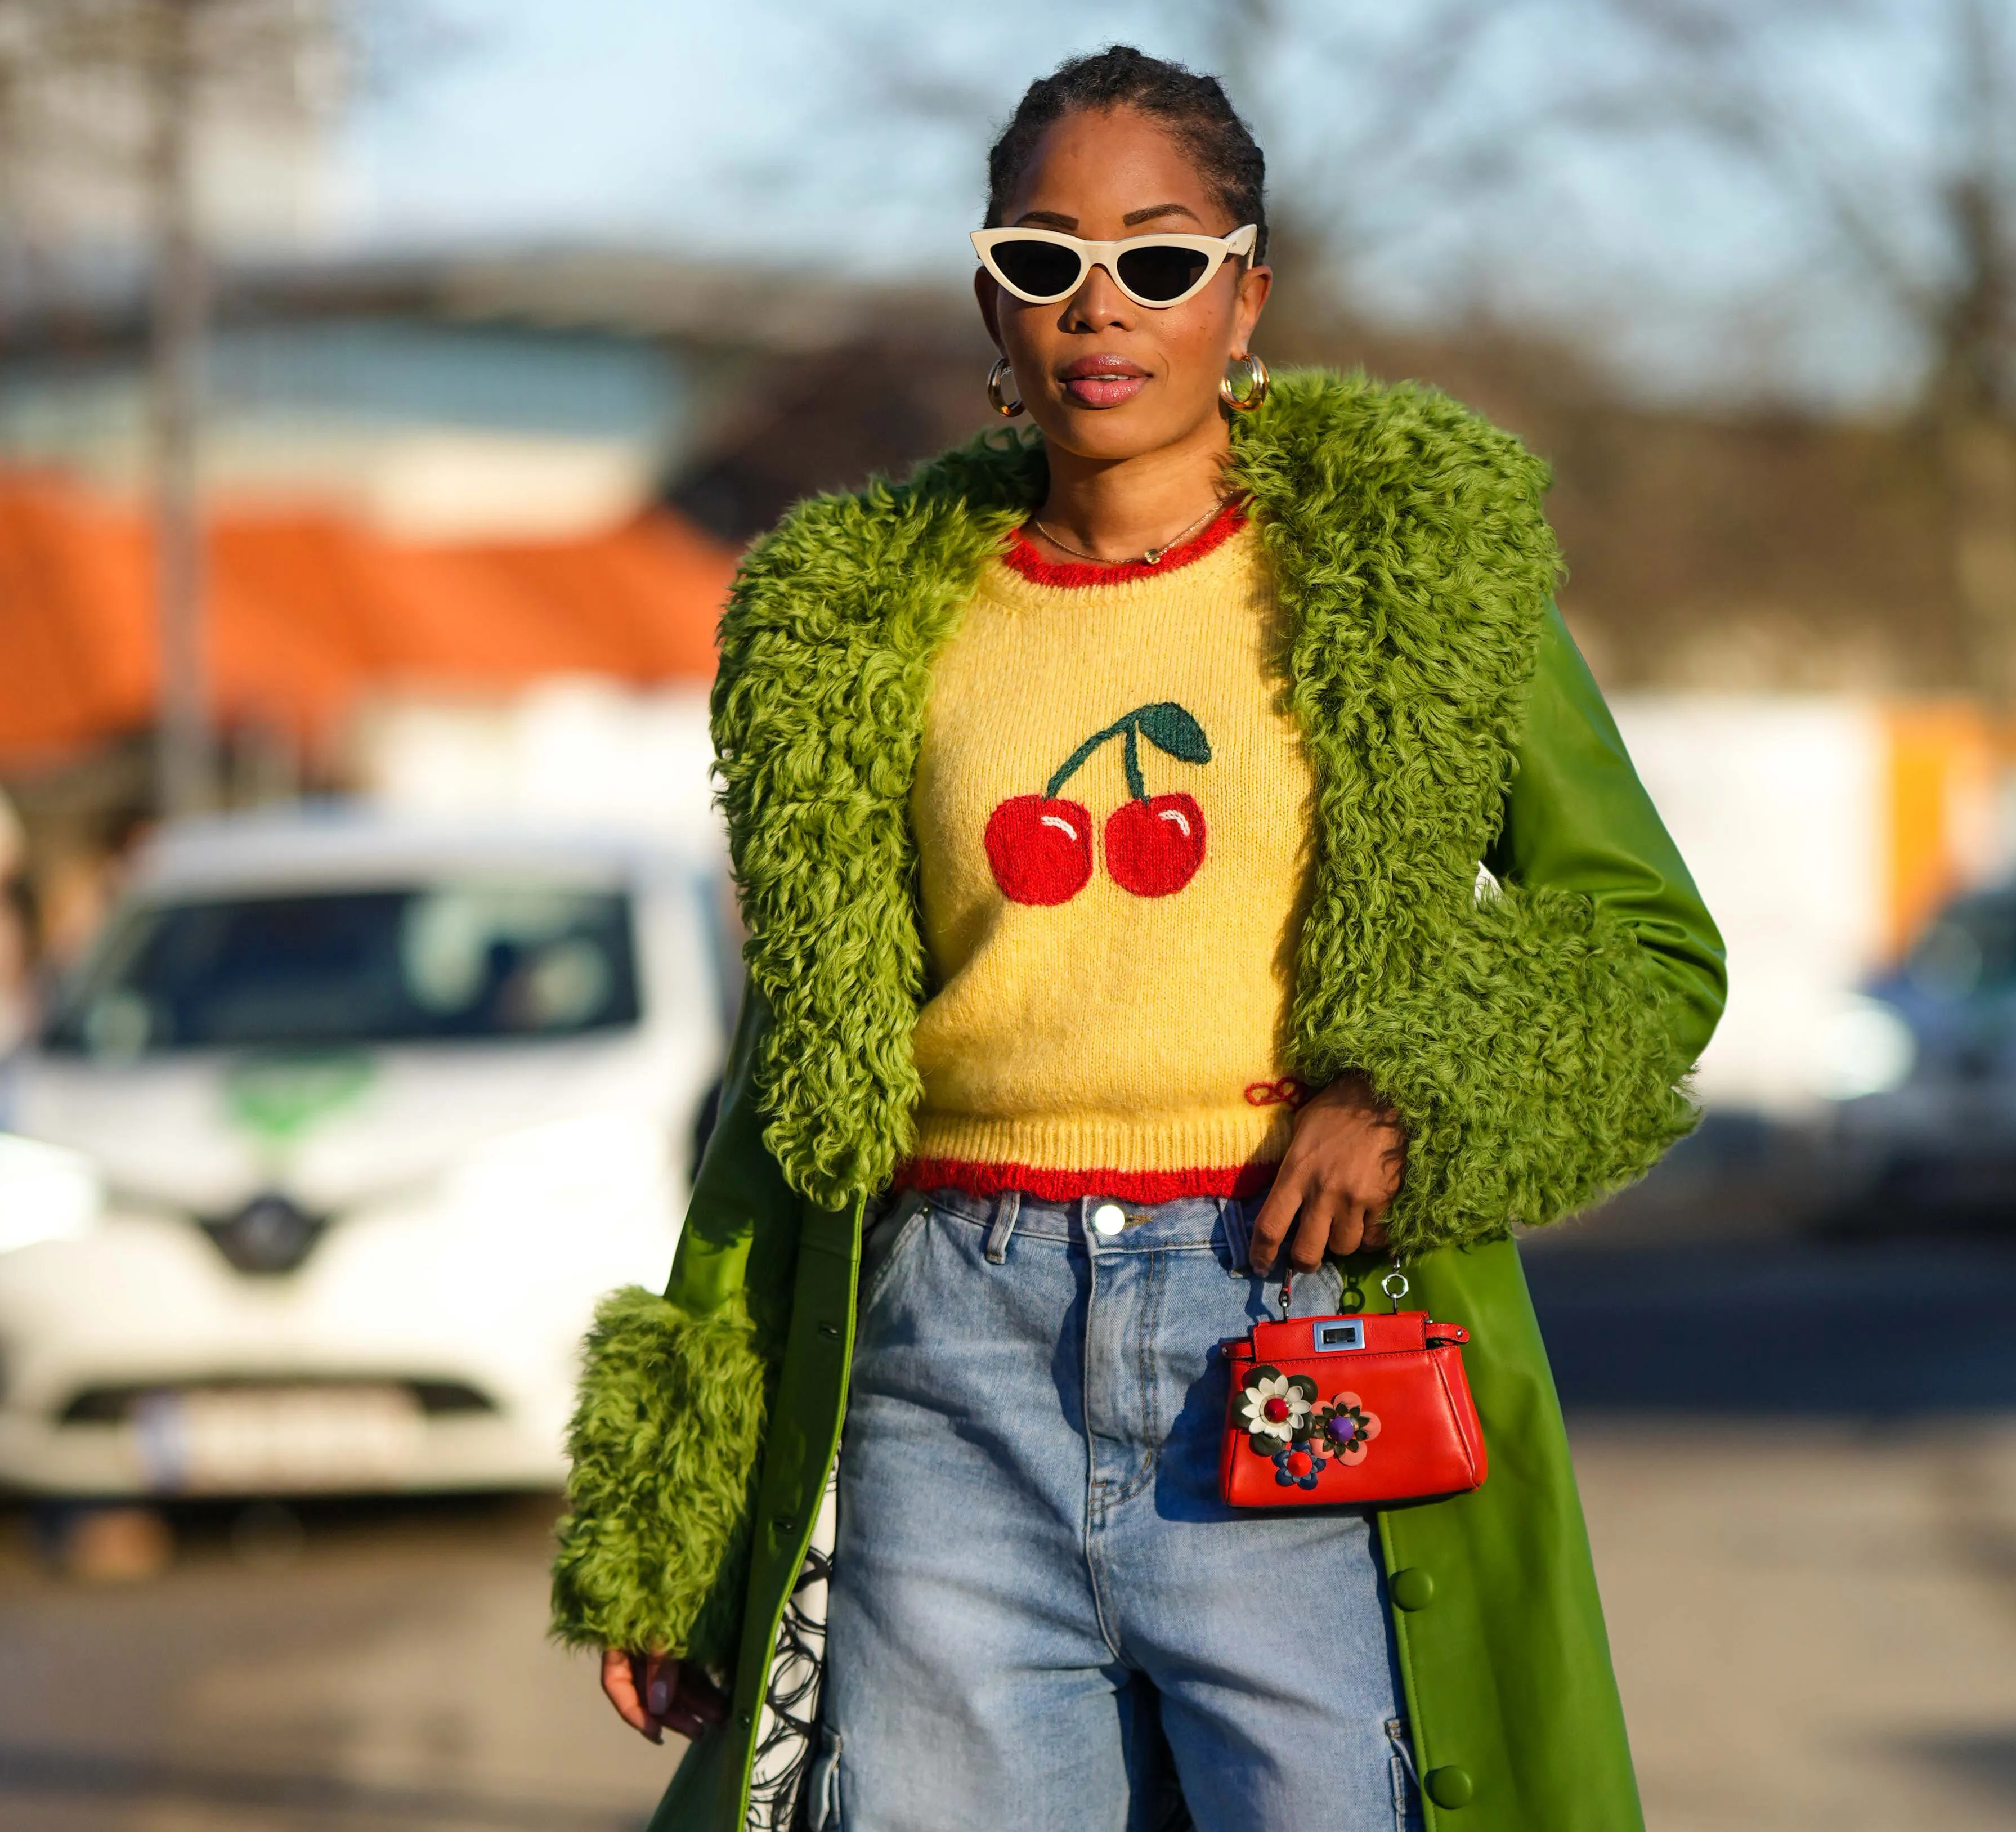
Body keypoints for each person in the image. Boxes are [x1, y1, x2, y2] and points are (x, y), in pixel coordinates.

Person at [550, 46, 1723, 1832]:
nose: (1101, 306)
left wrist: (1414, 1093)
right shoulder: (856, 627)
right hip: (944, 1357)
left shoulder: (1415, 571)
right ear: (991, 304)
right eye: (1044, 259)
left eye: (1160, 260)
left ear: (1247, 296)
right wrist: (682, 1502)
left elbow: (1645, 943)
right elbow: (793, 1088)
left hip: (1287, 1322)